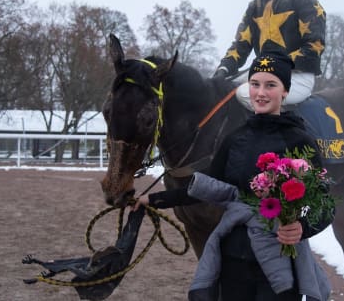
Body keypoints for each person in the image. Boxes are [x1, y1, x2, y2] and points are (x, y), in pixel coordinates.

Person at [134, 52, 333, 301]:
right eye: (255, 84)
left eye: (271, 85)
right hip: (232, 263)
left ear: (285, 91)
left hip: (279, 269)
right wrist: (153, 200)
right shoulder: (235, 139)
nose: (261, 93)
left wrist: (301, 227)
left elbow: (324, 203)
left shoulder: (301, 140)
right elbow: (208, 189)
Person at [213, 0, 326, 110]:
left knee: (243, 93)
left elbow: (315, 46)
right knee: (220, 92)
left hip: (298, 76)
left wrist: (276, 65)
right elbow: (240, 46)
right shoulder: (255, 5)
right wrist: (223, 70)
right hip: (263, 73)